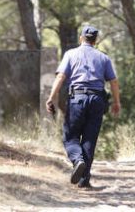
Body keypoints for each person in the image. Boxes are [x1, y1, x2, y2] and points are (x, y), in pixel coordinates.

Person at [46, 25, 121, 188]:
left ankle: (77, 160)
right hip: (97, 100)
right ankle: (84, 179)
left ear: (81, 38)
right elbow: (113, 81)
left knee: (70, 136)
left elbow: (60, 77)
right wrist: (116, 102)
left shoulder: (71, 54)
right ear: (96, 40)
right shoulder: (103, 57)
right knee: (89, 139)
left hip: (77, 98)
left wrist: (51, 98)